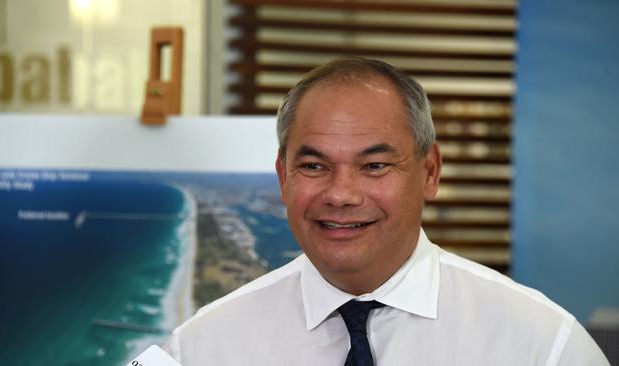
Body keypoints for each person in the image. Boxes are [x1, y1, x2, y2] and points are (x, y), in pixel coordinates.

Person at [163, 58, 609, 365]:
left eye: (375, 165)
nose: (340, 194)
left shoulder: (542, 346)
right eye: (314, 166)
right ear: (283, 178)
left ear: (430, 172)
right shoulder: (204, 347)